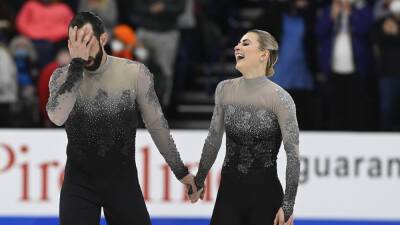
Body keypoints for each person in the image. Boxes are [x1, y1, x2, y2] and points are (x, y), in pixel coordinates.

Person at [46, 12, 196, 225]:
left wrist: (180, 170)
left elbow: (156, 125)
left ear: (103, 39)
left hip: (122, 183)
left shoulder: (134, 74)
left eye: (87, 42)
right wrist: (76, 67)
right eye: (76, 43)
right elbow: (56, 117)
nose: (82, 50)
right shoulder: (62, 77)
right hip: (78, 183)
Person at [189, 30, 300, 225]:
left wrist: (288, 206)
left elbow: (293, 155)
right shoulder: (224, 89)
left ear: (263, 54)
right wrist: (200, 178)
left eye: (246, 43)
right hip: (228, 196)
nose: (237, 47)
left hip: (265, 197)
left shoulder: (280, 98)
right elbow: (213, 140)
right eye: (238, 43)